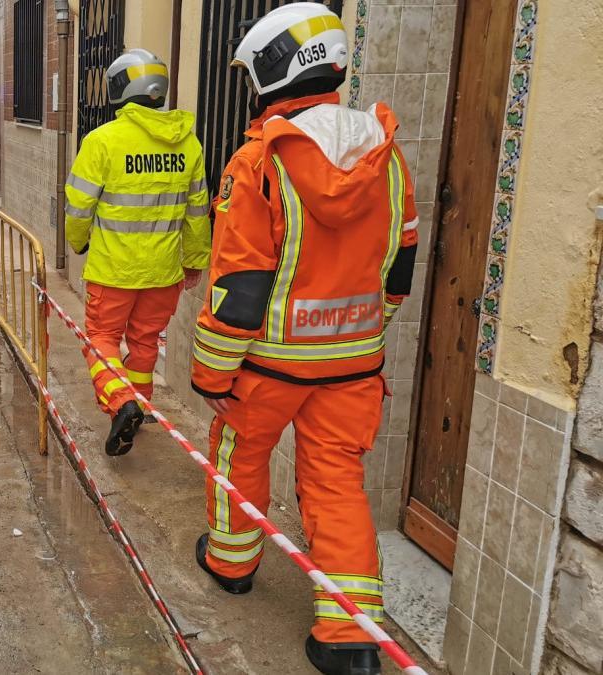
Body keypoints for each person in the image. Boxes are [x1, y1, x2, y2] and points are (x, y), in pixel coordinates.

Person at [188, 5, 418, 674]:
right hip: (352, 368)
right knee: (338, 484)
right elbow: (397, 271)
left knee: (239, 457)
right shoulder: (387, 157)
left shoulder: (261, 161)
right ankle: (349, 640)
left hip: (266, 368)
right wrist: (356, 334)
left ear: (270, 72)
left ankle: (232, 564)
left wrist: (211, 375)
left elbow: (240, 289)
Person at [63, 48, 211, 456]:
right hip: (164, 273)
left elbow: (78, 207)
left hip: (114, 271)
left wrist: (78, 242)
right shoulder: (189, 145)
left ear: (118, 89)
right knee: (145, 344)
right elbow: (199, 211)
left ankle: (121, 403)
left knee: (101, 339)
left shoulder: (103, 141)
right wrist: (195, 260)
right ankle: (138, 410)